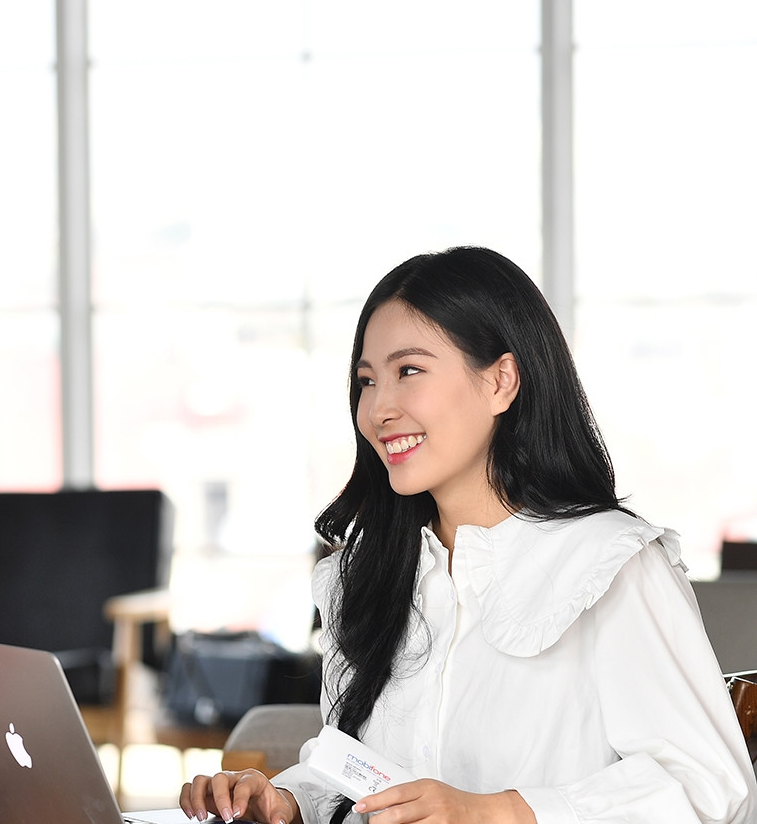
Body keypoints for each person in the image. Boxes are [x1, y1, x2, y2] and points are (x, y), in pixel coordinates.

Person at [180, 247, 757, 824]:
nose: (378, 409)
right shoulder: (366, 575)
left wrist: (498, 812)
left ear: (502, 381)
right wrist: (286, 802)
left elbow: (710, 789)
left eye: (409, 371)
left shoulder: (609, 564)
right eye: (366, 381)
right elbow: (359, 774)